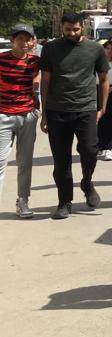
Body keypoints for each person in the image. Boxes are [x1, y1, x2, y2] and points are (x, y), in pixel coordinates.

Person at [39, 12, 109, 219]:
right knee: (61, 160)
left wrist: (102, 107)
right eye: (68, 29)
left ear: (84, 27)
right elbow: (45, 81)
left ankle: (87, 182)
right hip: (57, 110)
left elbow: (103, 79)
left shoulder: (95, 49)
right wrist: (44, 113)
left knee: (89, 150)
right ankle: (64, 201)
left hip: (85, 109)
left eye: (76, 29)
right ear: (62, 27)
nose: (72, 33)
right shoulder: (50, 49)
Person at [0, 24, 41, 218]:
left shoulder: (35, 61)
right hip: (3, 116)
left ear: (33, 41)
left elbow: (44, 80)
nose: (25, 43)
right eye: (20, 39)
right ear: (12, 40)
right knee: (0, 161)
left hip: (27, 117)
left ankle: (23, 200)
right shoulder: (1, 60)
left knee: (25, 162)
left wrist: (37, 110)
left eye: (28, 39)